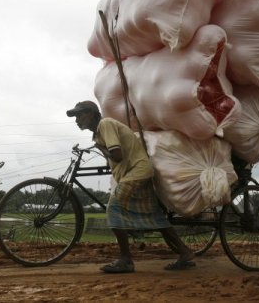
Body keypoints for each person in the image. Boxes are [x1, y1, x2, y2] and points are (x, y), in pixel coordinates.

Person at [66, 100, 195, 273]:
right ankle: (185, 253)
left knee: (113, 209)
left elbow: (117, 155)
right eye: (76, 117)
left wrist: (100, 149)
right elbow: (116, 159)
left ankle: (126, 260)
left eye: (80, 115)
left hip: (138, 171)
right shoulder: (98, 134)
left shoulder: (105, 124)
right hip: (137, 171)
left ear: (91, 113)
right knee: (155, 216)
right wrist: (102, 150)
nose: (77, 120)